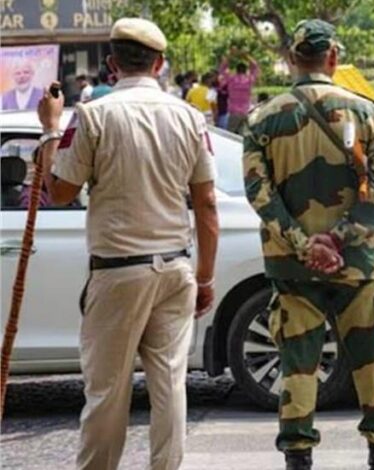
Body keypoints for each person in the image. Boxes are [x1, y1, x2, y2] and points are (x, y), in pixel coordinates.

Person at [35, 17, 219, 469]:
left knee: (107, 391)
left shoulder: (93, 115)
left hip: (118, 271)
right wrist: (205, 277)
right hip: (175, 269)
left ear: (112, 64)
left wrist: (51, 128)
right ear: (159, 64)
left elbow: (59, 192)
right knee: (170, 386)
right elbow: (207, 203)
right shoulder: (189, 117)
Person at [242, 19, 374, 470]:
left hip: (292, 266)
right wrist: (338, 238)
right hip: (357, 263)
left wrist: (303, 244)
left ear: (292, 59)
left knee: (298, 364)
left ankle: (298, 458)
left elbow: (259, 195)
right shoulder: (368, 114)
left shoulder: (262, 118)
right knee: (371, 359)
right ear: (333, 57)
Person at [219, 47, 259, 133]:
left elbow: (222, 68)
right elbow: (255, 67)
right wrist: (246, 55)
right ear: (245, 70)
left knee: (230, 136)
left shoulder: (231, 79)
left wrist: (231, 55)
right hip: (246, 112)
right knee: (243, 136)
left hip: (234, 112)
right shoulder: (249, 80)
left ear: (236, 70)